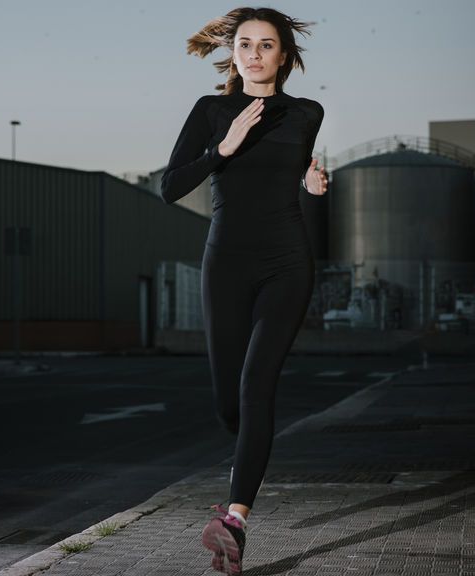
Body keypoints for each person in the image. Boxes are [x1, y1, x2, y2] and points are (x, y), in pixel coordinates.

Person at [159, 6, 327, 575]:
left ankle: (235, 519)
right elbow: (169, 186)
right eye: (246, 44)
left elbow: (298, 162)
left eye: (267, 44)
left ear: (285, 55)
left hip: (287, 262)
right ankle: (242, 457)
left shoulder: (307, 112)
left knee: (258, 384)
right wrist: (222, 149)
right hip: (225, 263)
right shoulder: (212, 111)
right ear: (233, 53)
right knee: (230, 404)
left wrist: (311, 177)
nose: (255, 52)